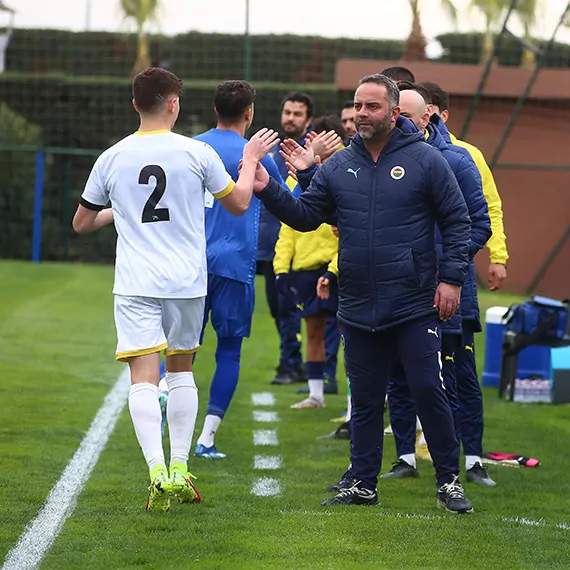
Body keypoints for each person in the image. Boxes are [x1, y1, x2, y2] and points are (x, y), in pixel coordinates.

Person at [251, 73, 474, 513]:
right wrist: (269, 188)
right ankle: (364, 482)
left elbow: (458, 222)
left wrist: (450, 279)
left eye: (372, 107)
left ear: (394, 113)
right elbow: (305, 214)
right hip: (356, 304)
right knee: (367, 399)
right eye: (358, 106)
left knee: (429, 389)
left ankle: (449, 480)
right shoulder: (338, 166)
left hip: (413, 302)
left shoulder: (428, 160)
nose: (363, 115)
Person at [72, 68, 278, 511]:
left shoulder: (111, 157)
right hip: (186, 280)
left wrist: (118, 212)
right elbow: (241, 203)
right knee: (181, 370)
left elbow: (82, 222)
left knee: (143, 377)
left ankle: (155, 473)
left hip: (135, 282)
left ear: (134, 104)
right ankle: (182, 468)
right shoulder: (196, 152)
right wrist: (250, 160)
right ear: (174, 104)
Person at [381, 87, 495, 486]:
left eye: (406, 116)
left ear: (427, 116)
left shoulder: (459, 159)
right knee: (400, 377)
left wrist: (450, 269)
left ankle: (474, 460)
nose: (398, 123)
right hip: (398, 293)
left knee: (458, 376)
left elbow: (481, 221)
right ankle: (405, 457)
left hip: (450, 293)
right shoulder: (379, 160)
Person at [189, 80, 286, 458]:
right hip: (235, 264)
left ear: (214, 110)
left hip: (190, 264)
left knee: (181, 349)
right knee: (228, 352)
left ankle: (165, 409)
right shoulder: (258, 156)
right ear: (250, 113)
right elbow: (290, 204)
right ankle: (206, 438)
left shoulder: (190, 147)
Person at [274, 115, 343, 409]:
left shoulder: (348, 174)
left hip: (335, 269)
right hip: (304, 270)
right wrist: (281, 268)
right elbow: (288, 226)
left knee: (351, 336)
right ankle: (316, 394)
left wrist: (333, 269)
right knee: (312, 330)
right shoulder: (296, 177)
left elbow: (352, 233)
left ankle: (359, 404)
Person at [419, 81, 509, 291]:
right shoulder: (399, 154)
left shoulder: (466, 155)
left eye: (431, 113)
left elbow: (489, 207)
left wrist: (498, 256)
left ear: (444, 116)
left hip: (453, 263)